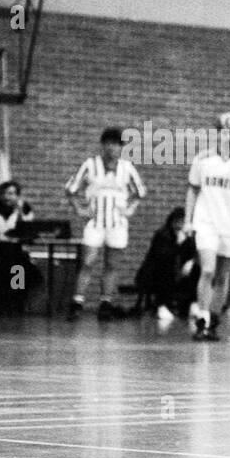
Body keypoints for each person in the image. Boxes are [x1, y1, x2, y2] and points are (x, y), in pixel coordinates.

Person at [184, 112, 230, 341]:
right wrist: (188, 220)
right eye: (223, 133)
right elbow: (192, 190)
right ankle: (202, 319)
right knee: (207, 269)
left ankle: (213, 319)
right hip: (207, 223)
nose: (228, 137)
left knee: (223, 276)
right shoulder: (202, 160)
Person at [64, 127, 147, 321]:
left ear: (121, 148)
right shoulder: (90, 165)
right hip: (95, 222)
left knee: (112, 264)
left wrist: (130, 208)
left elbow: (140, 192)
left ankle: (106, 303)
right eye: (108, 143)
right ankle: (77, 301)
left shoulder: (127, 168)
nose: (112, 148)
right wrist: (79, 209)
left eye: (116, 144)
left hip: (117, 223)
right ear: (103, 145)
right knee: (88, 261)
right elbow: (71, 188)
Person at [0, 181, 37, 313]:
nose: (8, 197)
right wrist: (15, 213)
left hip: (16, 252)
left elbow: (28, 226)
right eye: (5, 194)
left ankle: (17, 301)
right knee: (2, 269)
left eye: (11, 194)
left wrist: (21, 212)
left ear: (18, 196)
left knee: (20, 268)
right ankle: (0, 303)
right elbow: (4, 230)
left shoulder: (25, 208)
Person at [135, 207, 196, 322]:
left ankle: (192, 303)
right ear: (172, 222)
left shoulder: (188, 237)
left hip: (177, 273)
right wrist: (178, 243)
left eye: (182, 223)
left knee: (195, 269)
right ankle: (162, 305)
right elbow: (163, 257)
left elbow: (192, 254)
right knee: (165, 270)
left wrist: (190, 262)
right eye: (177, 222)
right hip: (153, 274)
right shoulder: (163, 235)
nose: (179, 226)